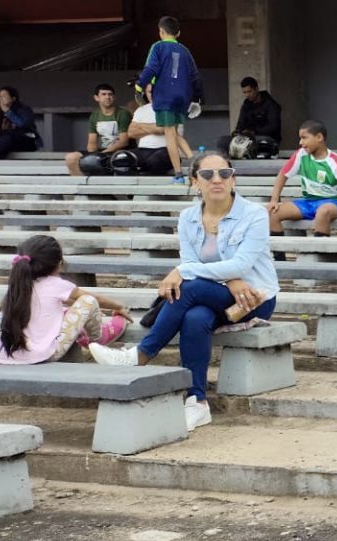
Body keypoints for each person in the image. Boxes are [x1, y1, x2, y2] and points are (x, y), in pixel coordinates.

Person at [91, 154, 279, 431]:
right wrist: (224, 278)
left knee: (188, 286)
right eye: (207, 175)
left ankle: (141, 354)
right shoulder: (188, 217)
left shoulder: (254, 214)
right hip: (211, 295)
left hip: (252, 299)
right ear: (195, 182)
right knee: (194, 318)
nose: (217, 180)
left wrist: (183, 271)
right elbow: (192, 261)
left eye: (224, 173)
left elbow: (240, 264)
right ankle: (197, 402)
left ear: (233, 179)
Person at [0, 235, 129, 365]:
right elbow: (95, 299)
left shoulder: (18, 286)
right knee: (88, 301)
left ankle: (83, 333)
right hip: (46, 353)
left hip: (7, 354)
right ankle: (98, 338)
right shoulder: (56, 284)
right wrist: (119, 307)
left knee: (61, 309)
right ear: (59, 264)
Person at [267, 120, 337, 237]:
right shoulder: (301, 154)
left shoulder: (335, 160)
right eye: (300, 138)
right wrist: (274, 200)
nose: (301, 142)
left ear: (319, 137)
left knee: (322, 212)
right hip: (308, 202)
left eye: (304, 138)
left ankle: (321, 247)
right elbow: (283, 174)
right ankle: (277, 249)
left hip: (333, 202)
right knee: (273, 212)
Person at [134, 15, 202, 180]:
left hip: (165, 96)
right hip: (182, 97)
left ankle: (178, 174)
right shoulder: (185, 50)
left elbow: (151, 69)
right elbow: (195, 76)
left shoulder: (157, 47)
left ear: (161, 31)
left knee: (169, 134)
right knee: (175, 131)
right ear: (178, 33)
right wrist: (197, 98)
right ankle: (194, 160)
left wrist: (139, 86)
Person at [63, 83, 132, 175]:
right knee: (71, 158)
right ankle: (80, 183)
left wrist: (101, 154)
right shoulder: (95, 115)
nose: (107, 97)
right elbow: (92, 143)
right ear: (96, 98)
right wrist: (93, 156)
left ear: (114, 97)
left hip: (120, 152)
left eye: (110, 94)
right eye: (103, 94)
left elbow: (123, 142)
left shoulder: (123, 114)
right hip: (103, 151)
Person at [217, 76, 282, 157]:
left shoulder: (270, 104)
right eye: (244, 92)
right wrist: (237, 133)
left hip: (266, 138)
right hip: (247, 138)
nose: (247, 95)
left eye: (249, 91)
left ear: (256, 89)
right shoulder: (246, 105)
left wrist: (254, 132)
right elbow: (240, 124)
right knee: (222, 141)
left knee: (261, 142)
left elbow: (273, 126)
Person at [127, 90, 183, 175]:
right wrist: (154, 127)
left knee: (155, 161)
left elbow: (161, 129)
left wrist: (140, 126)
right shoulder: (141, 110)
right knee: (123, 157)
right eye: (150, 92)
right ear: (146, 94)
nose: (153, 94)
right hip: (143, 151)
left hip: (166, 151)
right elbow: (131, 133)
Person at [0, 86, 40, 158]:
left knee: (7, 137)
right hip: (3, 142)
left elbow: (24, 125)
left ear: (13, 98)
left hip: (25, 139)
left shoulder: (23, 109)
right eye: (0, 96)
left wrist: (7, 111)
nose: (1, 98)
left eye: (4, 96)